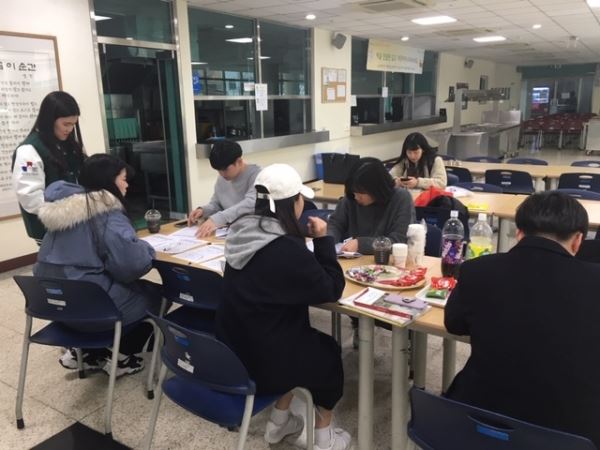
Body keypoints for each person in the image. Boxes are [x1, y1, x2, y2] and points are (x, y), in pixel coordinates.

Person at [445, 191, 600, 448]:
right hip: (572, 436)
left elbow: (454, 324)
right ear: (577, 241)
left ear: (518, 233)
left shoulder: (476, 270)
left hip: (478, 421)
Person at [215, 164, 351, 450]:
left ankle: (278, 423)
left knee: (294, 340)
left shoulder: (241, 231)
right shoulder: (284, 247)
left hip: (233, 350)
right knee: (327, 352)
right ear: (293, 204)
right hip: (266, 360)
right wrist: (323, 240)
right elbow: (331, 289)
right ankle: (324, 438)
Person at [34, 154, 162, 377]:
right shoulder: (107, 215)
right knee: (157, 295)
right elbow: (132, 267)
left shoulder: (62, 211)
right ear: (109, 181)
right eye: (123, 179)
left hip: (54, 305)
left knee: (104, 283)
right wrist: (147, 249)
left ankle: (88, 351)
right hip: (92, 310)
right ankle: (120, 354)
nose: (127, 185)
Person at [12, 91, 86, 243]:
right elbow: (30, 197)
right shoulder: (29, 150)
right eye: (66, 124)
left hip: (75, 223)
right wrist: (69, 211)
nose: (70, 129)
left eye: (73, 124)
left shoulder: (69, 144)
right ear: (49, 120)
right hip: (50, 229)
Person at [327, 157, 415, 254]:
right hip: (352, 260)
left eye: (361, 193)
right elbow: (335, 224)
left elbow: (399, 241)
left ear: (376, 189)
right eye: (354, 192)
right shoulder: (352, 197)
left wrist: (361, 244)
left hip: (387, 261)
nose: (356, 197)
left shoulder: (401, 198)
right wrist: (329, 241)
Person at [187, 139, 260, 238]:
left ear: (239, 162)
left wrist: (218, 219)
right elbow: (217, 204)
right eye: (218, 170)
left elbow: (251, 204)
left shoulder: (258, 176)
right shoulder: (223, 178)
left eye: (225, 169)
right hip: (230, 233)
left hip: (252, 234)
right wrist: (203, 211)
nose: (221, 174)